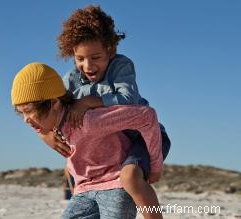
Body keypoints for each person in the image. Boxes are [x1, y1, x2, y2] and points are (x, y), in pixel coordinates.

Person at [39, 5, 171, 219]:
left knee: (130, 177)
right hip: (112, 146)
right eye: (80, 58)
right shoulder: (71, 79)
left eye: (96, 57)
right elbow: (54, 109)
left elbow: (129, 100)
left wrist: (89, 101)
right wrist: (45, 134)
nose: (88, 65)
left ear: (111, 49)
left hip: (144, 137)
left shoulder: (120, 67)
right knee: (75, 172)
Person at [11, 62, 163, 219]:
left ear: (54, 103)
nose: (25, 120)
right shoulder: (52, 128)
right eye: (21, 113)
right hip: (84, 190)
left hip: (115, 184)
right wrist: (44, 136)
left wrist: (155, 166)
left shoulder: (88, 120)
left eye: (29, 112)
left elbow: (147, 116)